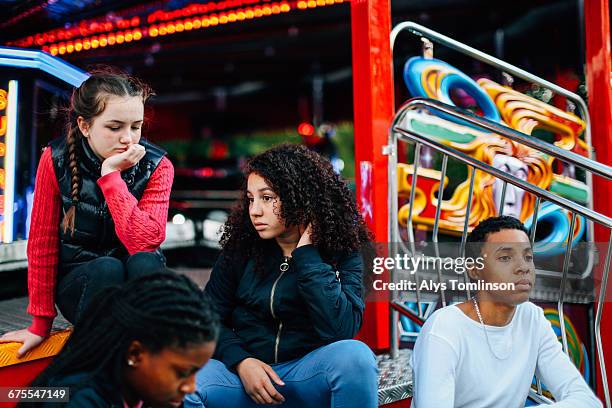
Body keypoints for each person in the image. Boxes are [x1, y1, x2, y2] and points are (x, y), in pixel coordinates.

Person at [185, 144, 378, 408]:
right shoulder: (241, 249)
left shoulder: (343, 251)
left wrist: (307, 256)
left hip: (305, 376)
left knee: (356, 357)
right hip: (244, 379)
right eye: (251, 199)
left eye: (267, 198)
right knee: (183, 383)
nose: (255, 210)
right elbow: (206, 320)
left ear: (300, 198)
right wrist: (242, 361)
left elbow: (340, 329)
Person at [0, 68, 174, 357]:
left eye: (136, 126)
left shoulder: (158, 165)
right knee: (108, 267)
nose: (128, 139)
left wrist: (111, 178)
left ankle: (148, 355)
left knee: (145, 260)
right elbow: (42, 242)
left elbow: (145, 242)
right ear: (84, 125)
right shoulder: (55, 159)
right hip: (81, 284)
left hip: (136, 289)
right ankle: (98, 364)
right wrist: (40, 325)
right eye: (115, 127)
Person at [411, 216, 602, 407]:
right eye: (505, 258)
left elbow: (586, 401)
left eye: (528, 257)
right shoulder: (444, 329)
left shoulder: (531, 318)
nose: (523, 267)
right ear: (474, 269)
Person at [19, 272, 219, 408]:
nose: (191, 386)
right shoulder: (78, 398)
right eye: (182, 373)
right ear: (135, 354)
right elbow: (10, 393)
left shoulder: (138, 391)